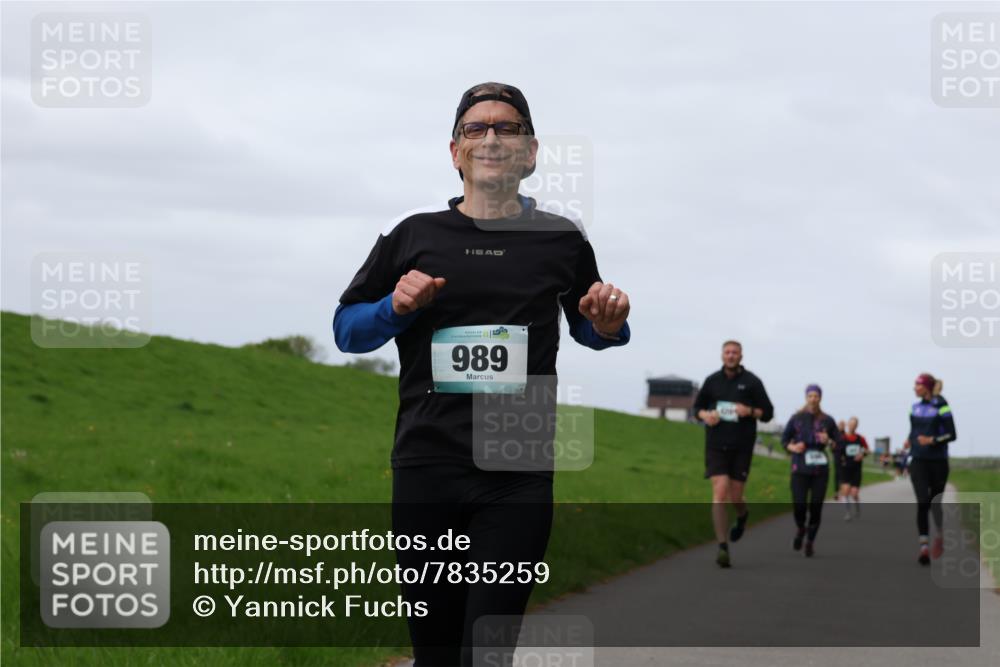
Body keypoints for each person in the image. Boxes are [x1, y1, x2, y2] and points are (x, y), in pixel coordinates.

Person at [333, 82, 631, 666]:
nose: (492, 137)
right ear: (455, 152)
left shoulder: (562, 239)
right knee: (437, 652)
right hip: (427, 463)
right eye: (476, 128)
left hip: (517, 472)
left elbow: (589, 328)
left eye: (508, 127)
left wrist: (609, 323)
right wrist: (393, 307)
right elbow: (347, 330)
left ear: (531, 152)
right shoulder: (412, 234)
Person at [693, 340, 774, 568]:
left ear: (741, 356)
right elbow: (695, 408)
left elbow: (768, 412)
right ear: (721, 355)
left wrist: (749, 411)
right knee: (720, 492)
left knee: (736, 496)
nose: (730, 356)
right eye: (727, 352)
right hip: (716, 445)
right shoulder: (712, 381)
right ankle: (722, 546)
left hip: (741, 446)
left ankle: (742, 515)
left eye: (734, 352)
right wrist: (705, 415)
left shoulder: (752, 382)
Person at [781, 384, 839, 558]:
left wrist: (828, 440)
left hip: (820, 470)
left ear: (820, 398)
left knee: (816, 507)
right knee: (799, 505)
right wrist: (793, 447)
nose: (813, 399)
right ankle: (801, 528)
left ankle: (810, 542)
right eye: (810, 396)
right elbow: (784, 441)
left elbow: (838, 444)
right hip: (799, 467)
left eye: (816, 396)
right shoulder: (796, 418)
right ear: (806, 397)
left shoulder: (828, 420)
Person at [905, 373, 956, 566]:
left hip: (938, 461)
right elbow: (913, 431)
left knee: (935, 503)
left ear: (926, 387)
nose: (914, 388)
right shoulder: (914, 407)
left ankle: (940, 536)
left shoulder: (942, 405)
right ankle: (924, 547)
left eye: (917, 385)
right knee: (922, 501)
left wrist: (932, 440)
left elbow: (952, 434)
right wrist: (909, 441)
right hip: (918, 460)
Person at [837, 416, 869, 520]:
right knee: (846, 490)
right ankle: (847, 512)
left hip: (856, 468)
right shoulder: (842, 438)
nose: (852, 426)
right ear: (847, 425)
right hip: (845, 468)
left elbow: (868, 450)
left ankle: (857, 507)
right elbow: (837, 451)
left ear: (856, 426)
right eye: (850, 424)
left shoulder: (860, 438)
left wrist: (862, 454)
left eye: (854, 424)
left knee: (854, 493)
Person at [832, 419, 847, 500]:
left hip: (844, 457)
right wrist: (833, 447)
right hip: (837, 456)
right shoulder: (835, 435)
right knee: (837, 474)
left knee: (842, 474)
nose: (841, 426)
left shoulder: (845, 435)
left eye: (843, 425)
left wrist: (844, 456)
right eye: (840, 424)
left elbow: (846, 446)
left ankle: (841, 492)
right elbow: (832, 447)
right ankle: (836, 492)